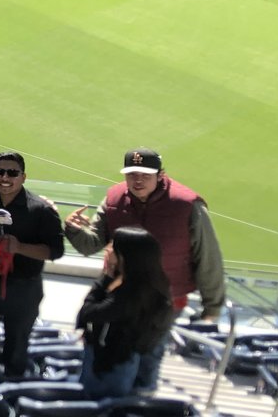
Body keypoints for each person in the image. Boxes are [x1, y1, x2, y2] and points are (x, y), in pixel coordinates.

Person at [64, 148, 225, 392]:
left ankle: (142, 398)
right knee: (116, 349)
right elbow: (91, 244)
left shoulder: (187, 204)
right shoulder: (114, 197)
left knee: (150, 351)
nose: (137, 180)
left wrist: (211, 306)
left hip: (166, 299)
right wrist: (73, 229)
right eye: (132, 174)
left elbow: (208, 257)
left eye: (145, 175)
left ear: (161, 175)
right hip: (120, 295)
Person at [0, 151, 64, 378]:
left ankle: (13, 387)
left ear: (23, 177)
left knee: (17, 343)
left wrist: (20, 247)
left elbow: (56, 250)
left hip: (24, 287)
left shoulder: (40, 209)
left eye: (12, 173)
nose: (5, 177)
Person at [77, 227, 174, 399]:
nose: (107, 249)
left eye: (113, 246)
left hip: (108, 367)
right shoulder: (150, 287)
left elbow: (88, 312)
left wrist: (105, 277)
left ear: (126, 256)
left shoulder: (129, 295)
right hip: (120, 360)